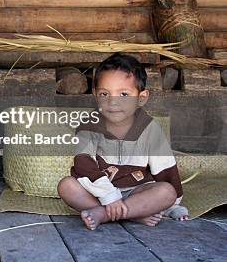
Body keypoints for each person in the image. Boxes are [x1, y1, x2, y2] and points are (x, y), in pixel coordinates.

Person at [57, 53, 189, 230]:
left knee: (166, 192)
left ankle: (105, 214)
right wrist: (109, 196)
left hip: (138, 191)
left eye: (124, 94)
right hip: (99, 191)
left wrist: (172, 205)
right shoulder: (89, 125)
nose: (113, 102)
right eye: (104, 93)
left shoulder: (150, 128)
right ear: (95, 95)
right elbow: (83, 164)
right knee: (66, 186)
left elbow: (165, 168)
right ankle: (132, 215)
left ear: (141, 98)